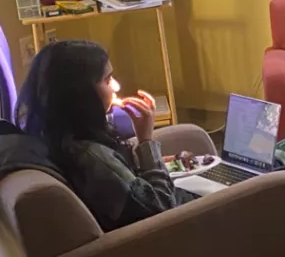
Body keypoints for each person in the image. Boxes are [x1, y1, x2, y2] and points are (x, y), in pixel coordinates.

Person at [16, 40, 177, 232]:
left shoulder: (54, 136)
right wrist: (146, 141)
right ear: (80, 93)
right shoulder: (93, 158)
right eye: (107, 80)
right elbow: (163, 208)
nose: (116, 86)